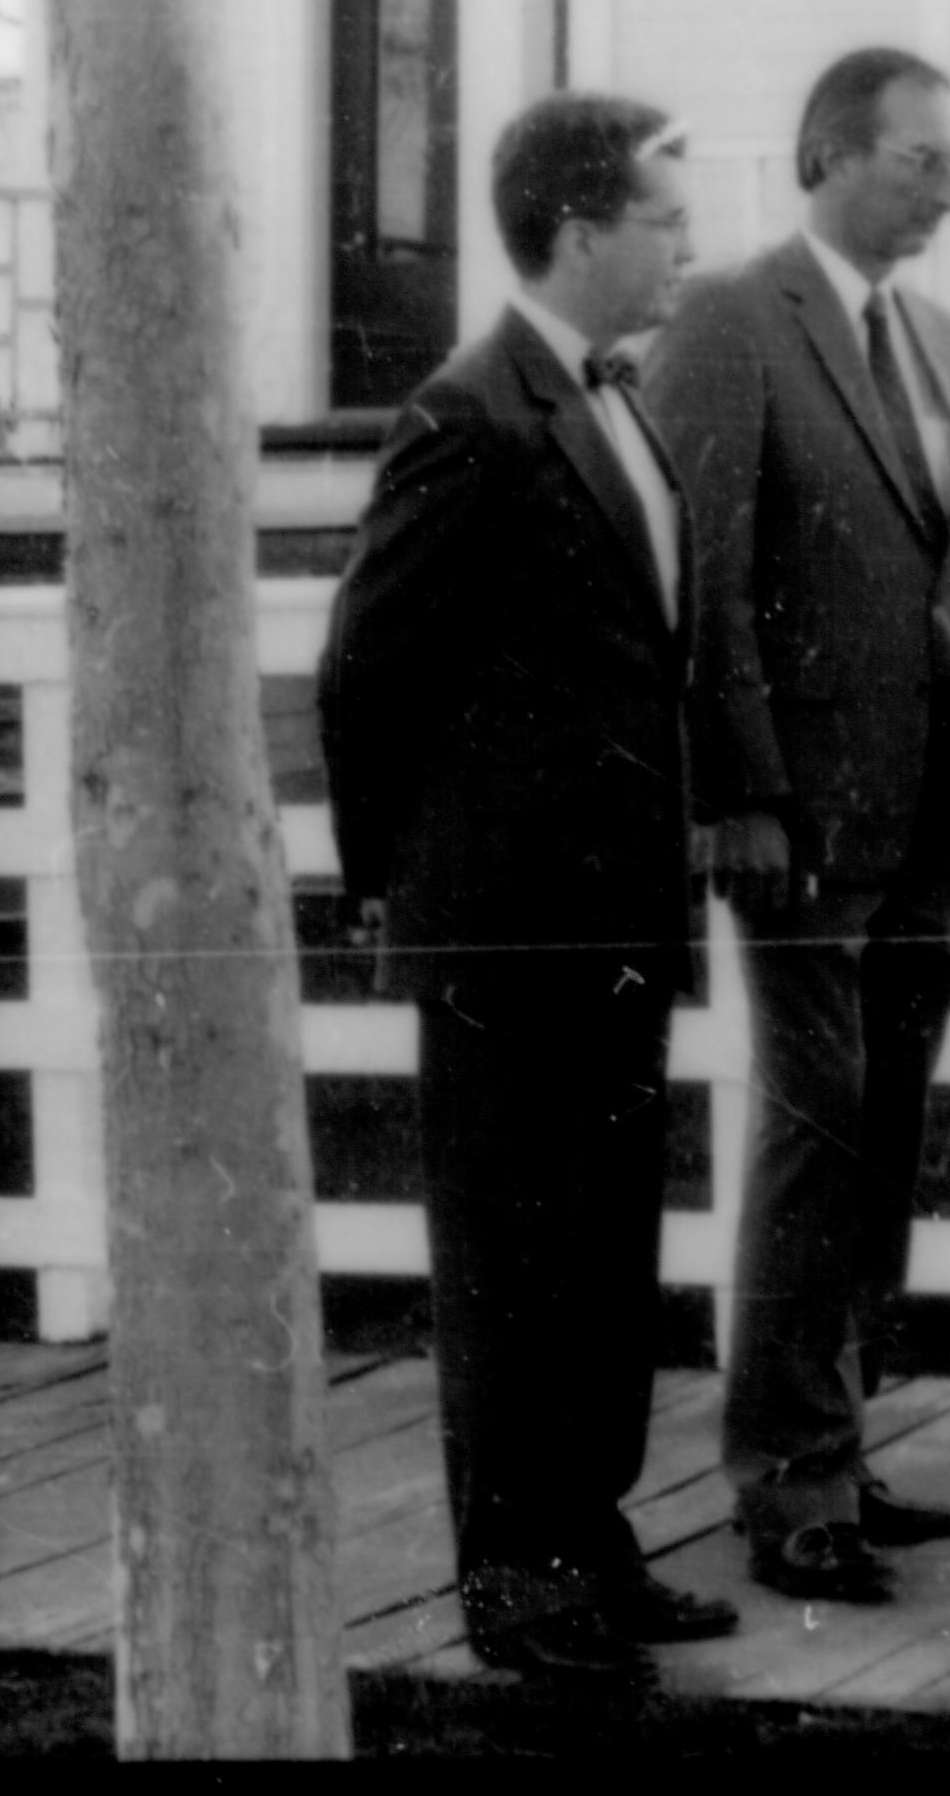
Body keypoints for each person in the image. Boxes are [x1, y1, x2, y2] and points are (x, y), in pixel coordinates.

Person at [319, 91, 734, 1684]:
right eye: (661, 217)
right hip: (505, 933)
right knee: (510, 1258)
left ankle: (591, 1537)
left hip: (623, 928)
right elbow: (368, 673)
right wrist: (399, 894)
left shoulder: (618, 403)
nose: (683, 244)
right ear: (577, 233)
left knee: (605, 1247)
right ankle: (515, 1579)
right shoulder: (468, 416)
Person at [640, 48, 950, 1605]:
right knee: (819, 1122)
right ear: (827, 154)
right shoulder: (733, 316)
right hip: (794, 816)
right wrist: (732, 790)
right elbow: (701, 572)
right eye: (924, 160)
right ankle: (786, 1483)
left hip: (928, 807)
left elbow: (948, 575)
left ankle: (836, 1450)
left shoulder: (949, 342)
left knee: (888, 1128)